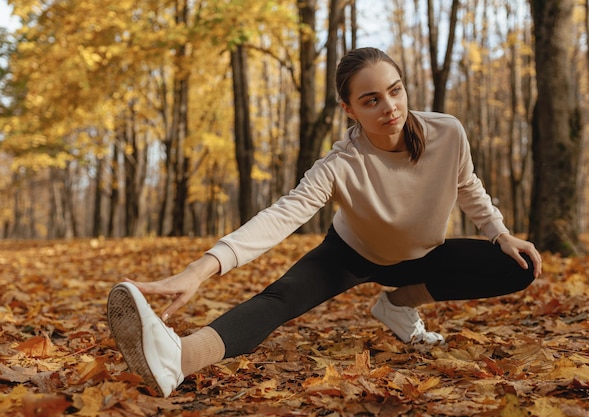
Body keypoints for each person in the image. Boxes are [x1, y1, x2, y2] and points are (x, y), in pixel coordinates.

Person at [107, 47, 542, 398]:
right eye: (371, 100)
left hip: (424, 255)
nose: (390, 107)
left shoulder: (447, 132)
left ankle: (398, 303)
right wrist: (199, 270)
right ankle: (177, 358)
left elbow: (468, 185)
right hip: (350, 254)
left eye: (395, 91)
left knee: (516, 265)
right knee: (279, 299)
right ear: (349, 109)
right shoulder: (340, 163)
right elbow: (280, 216)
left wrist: (500, 234)